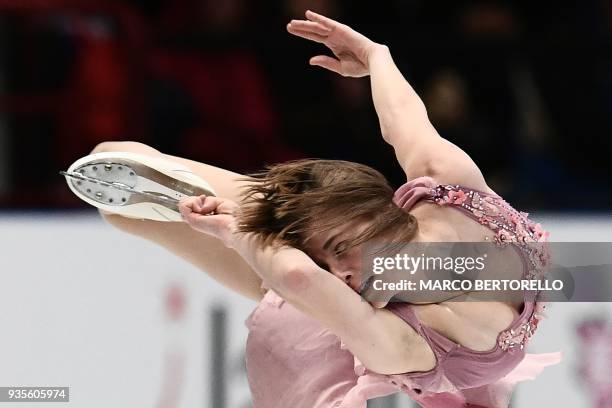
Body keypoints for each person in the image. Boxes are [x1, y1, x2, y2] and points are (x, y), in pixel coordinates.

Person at [67, 10, 561, 407]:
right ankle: (264, 215)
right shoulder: (450, 192)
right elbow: (403, 122)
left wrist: (239, 233)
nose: (343, 272)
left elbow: (303, 279)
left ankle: (253, 211)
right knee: (118, 196)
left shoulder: (408, 340)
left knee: (126, 183)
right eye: (342, 253)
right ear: (390, 214)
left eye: (342, 256)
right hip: (341, 283)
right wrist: (376, 57)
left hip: (344, 318)